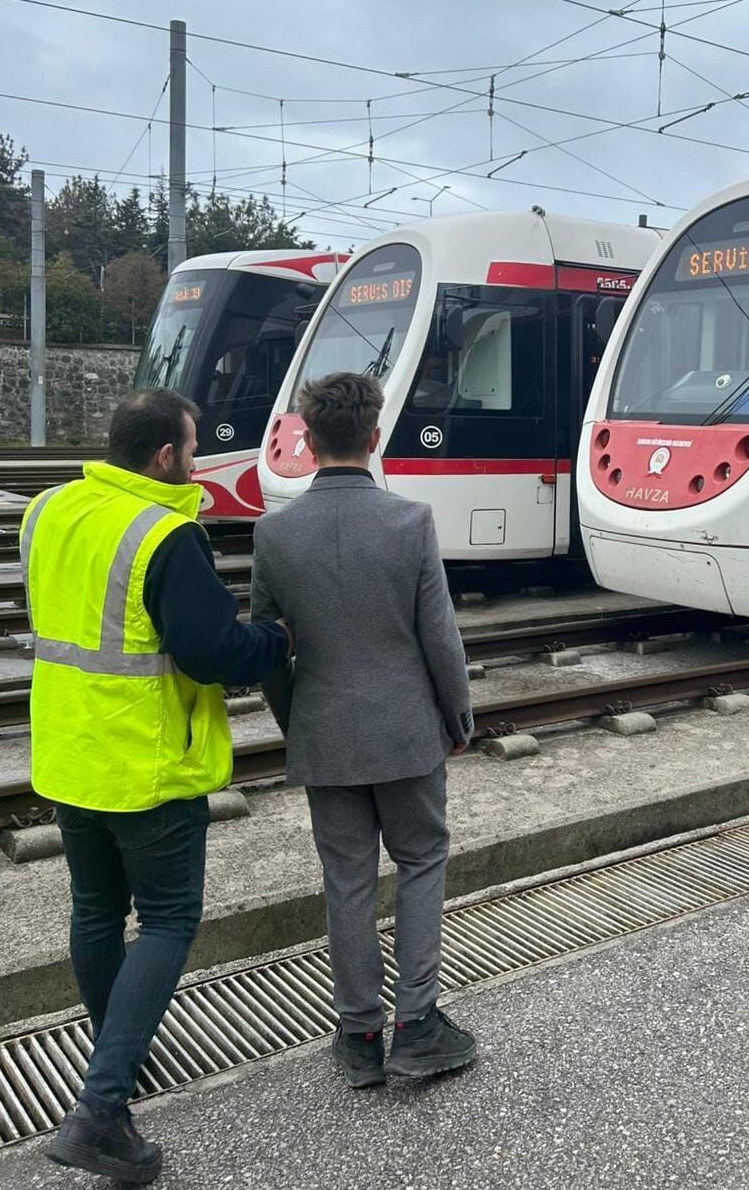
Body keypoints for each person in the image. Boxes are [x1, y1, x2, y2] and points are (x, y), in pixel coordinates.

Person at [21, 388, 291, 1185]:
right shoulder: (165, 534)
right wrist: (274, 641)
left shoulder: (49, 509)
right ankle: (100, 1107)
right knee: (170, 920)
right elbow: (213, 650)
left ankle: (116, 1081)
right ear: (166, 456)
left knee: (96, 912)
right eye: (194, 444)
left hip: (69, 754)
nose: (198, 458)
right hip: (145, 764)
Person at [251, 371, 476, 1088]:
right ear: (373, 438)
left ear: (308, 441)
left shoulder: (274, 533)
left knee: (346, 879)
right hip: (407, 732)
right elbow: (438, 638)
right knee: (419, 861)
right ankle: (417, 1025)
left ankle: (357, 1034)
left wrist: (298, 724)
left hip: (324, 733)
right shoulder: (409, 522)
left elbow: (270, 649)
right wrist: (457, 718)